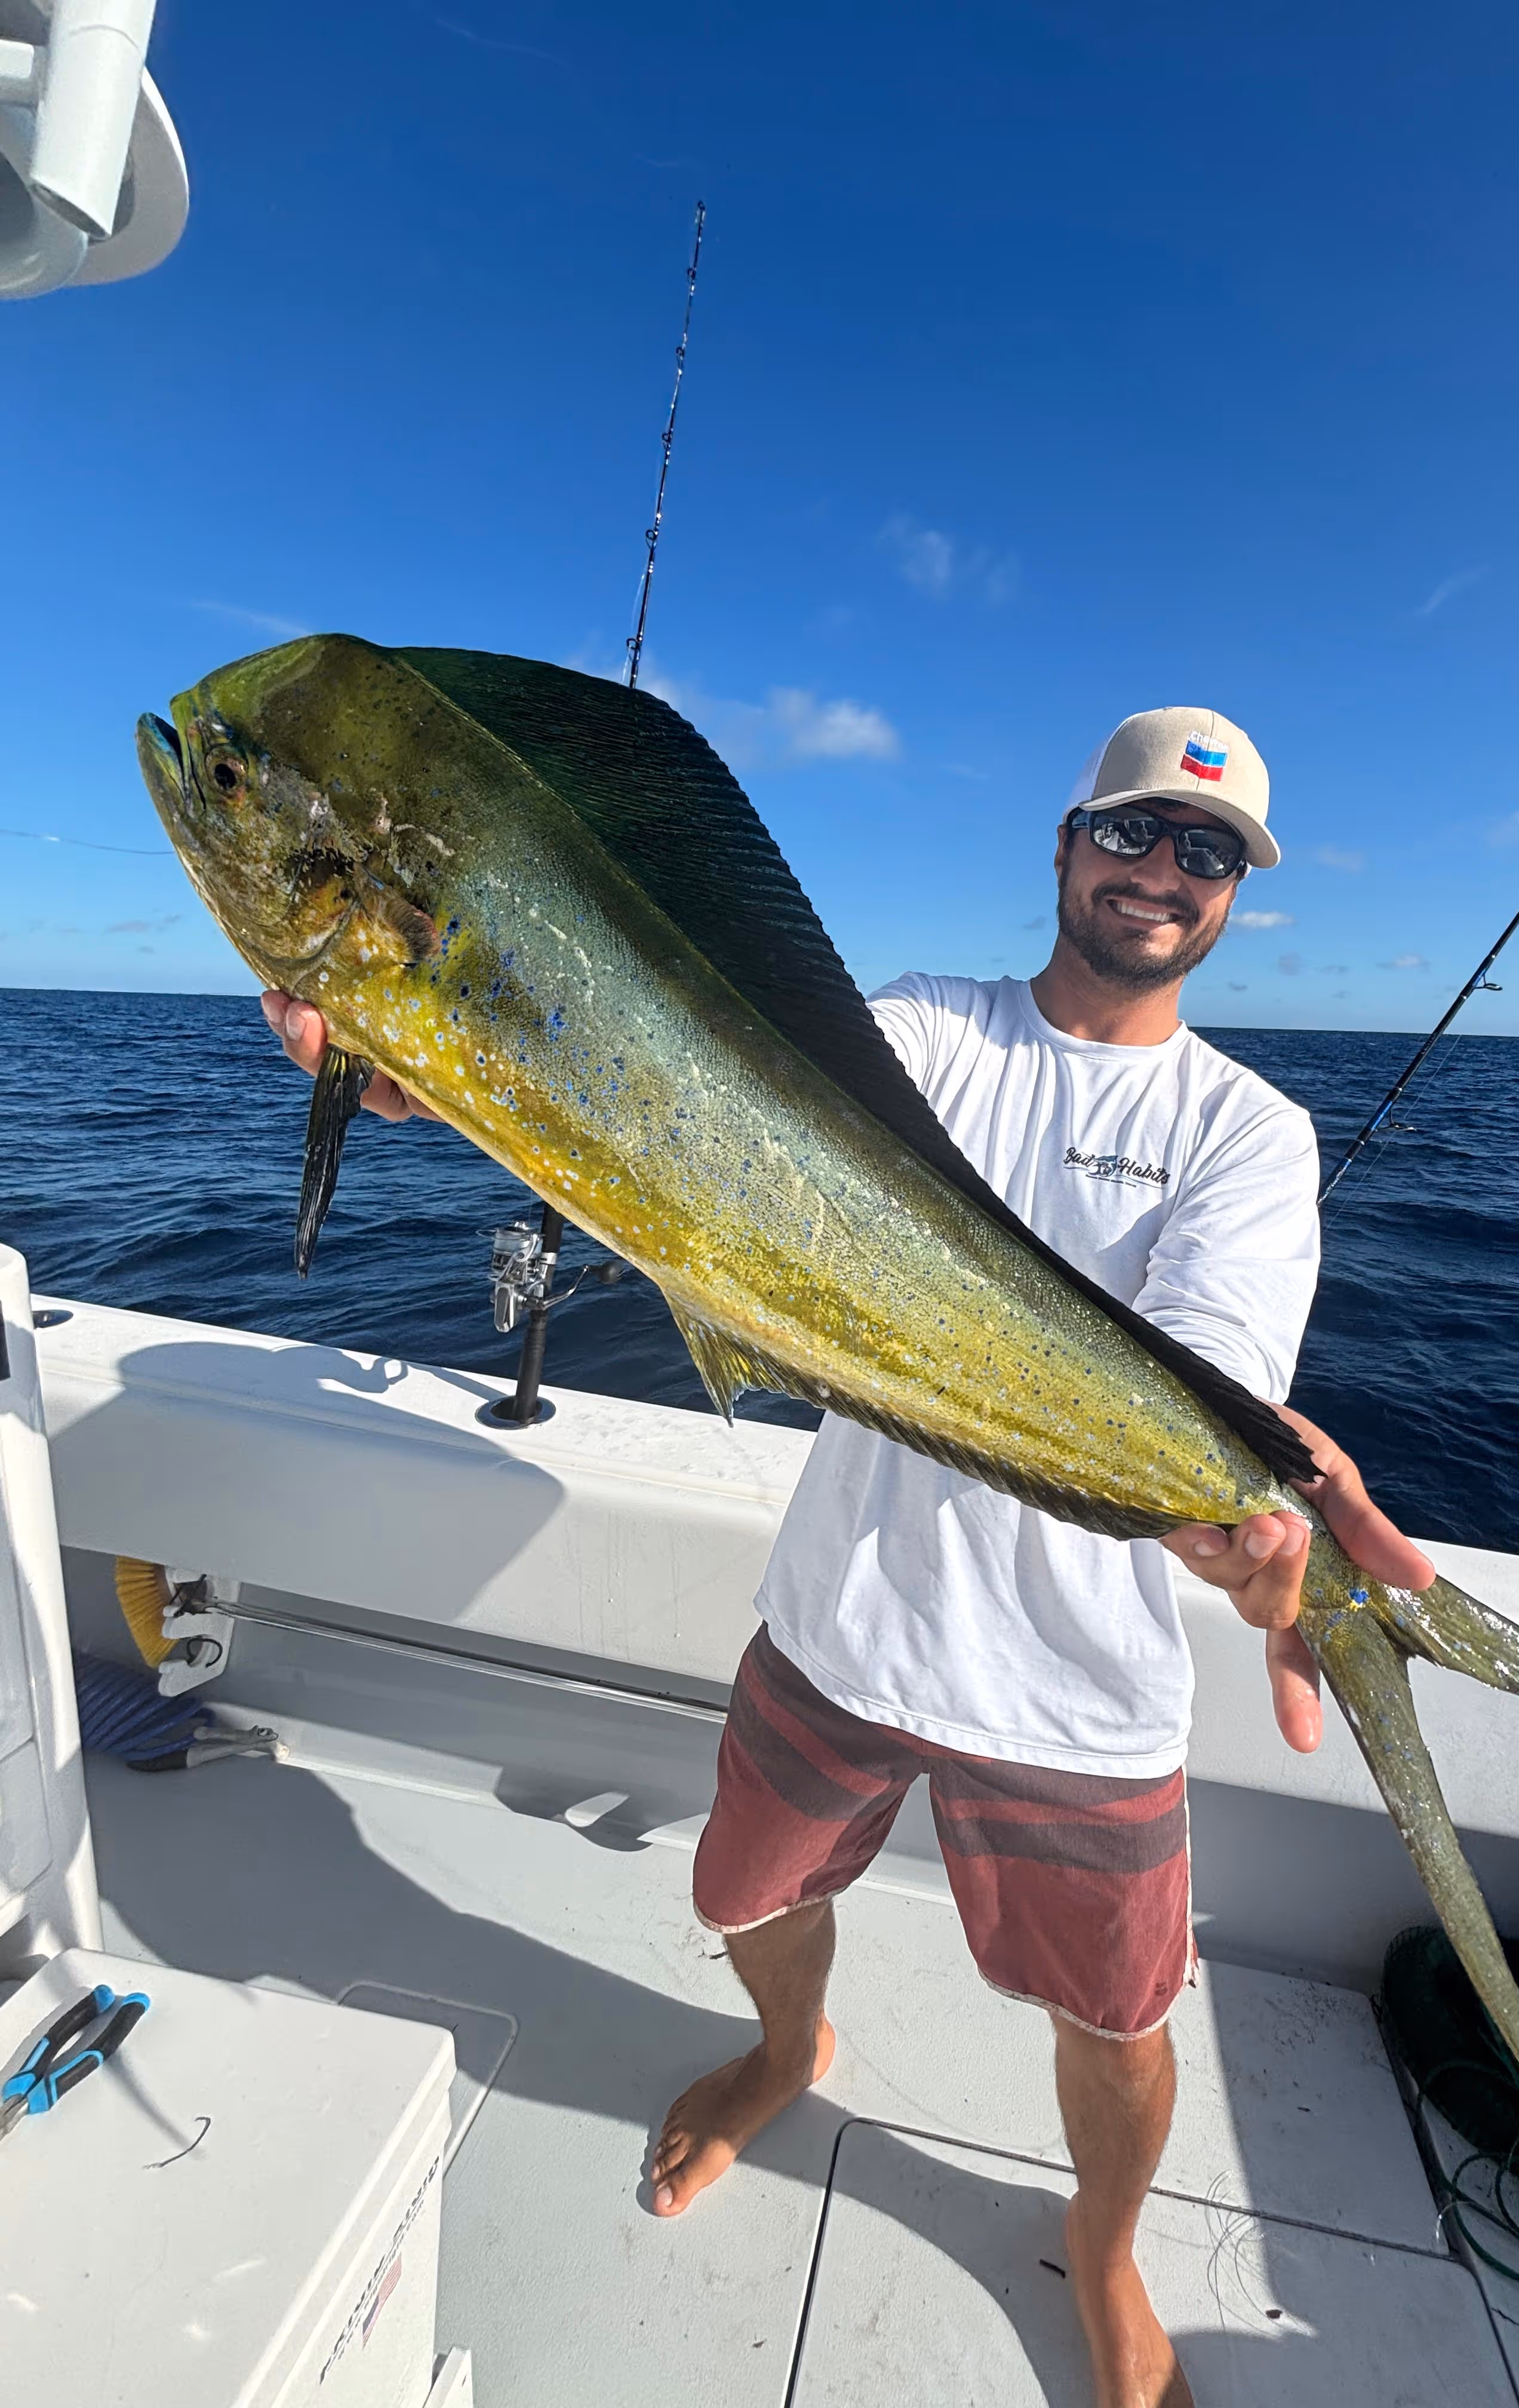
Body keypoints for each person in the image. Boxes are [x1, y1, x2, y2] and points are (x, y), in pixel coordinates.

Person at [264, 703, 1432, 2408]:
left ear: (1239, 893)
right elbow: (675, 1115)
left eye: (1207, 853)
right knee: (740, 1892)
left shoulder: (1249, 1133)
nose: (1160, 873)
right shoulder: (921, 1033)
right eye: (1130, 832)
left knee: (1111, 2025)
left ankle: (1103, 2257)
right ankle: (789, 2044)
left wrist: (1259, 1528)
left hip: (1080, 1692)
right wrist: (429, 1062)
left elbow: (1205, 1391)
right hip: (845, 1620)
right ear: (1064, 844)